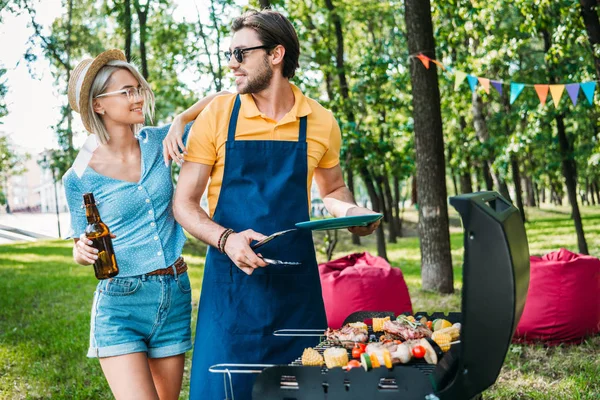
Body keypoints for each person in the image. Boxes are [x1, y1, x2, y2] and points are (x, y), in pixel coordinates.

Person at [173, 10, 380, 400]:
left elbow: (333, 188)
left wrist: (352, 214)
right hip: (230, 291)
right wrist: (226, 239)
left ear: (275, 54)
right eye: (228, 53)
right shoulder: (217, 115)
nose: (230, 63)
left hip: (295, 294)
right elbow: (183, 204)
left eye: (240, 53)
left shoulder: (320, 120)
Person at [62, 49, 225, 400]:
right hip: (121, 302)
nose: (137, 97)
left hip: (175, 292)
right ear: (99, 105)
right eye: (126, 91)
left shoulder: (159, 143)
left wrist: (181, 119)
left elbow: (224, 98)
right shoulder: (78, 178)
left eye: (138, 89)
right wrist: (81, 251)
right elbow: (81, 245)